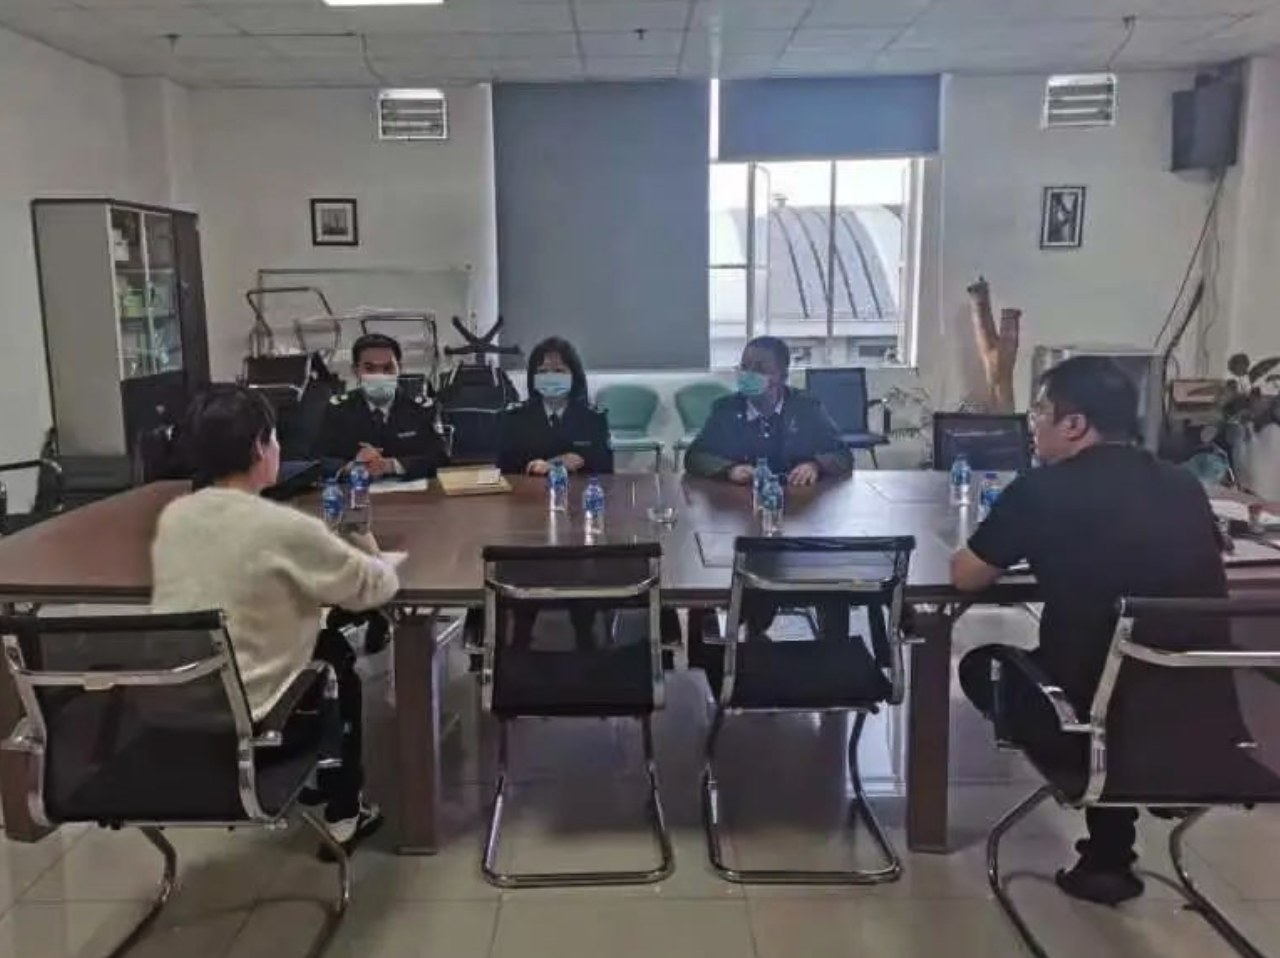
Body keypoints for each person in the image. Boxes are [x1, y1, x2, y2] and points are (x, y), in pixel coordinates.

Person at [951, 357, 1228, 906]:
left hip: (1083, 719)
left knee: (982, 666)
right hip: (1191, 721)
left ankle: (1097, 803)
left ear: (1074, 424)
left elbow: (966, 577)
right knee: (1118, 672)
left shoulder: (1041, 490)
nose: (1033, 424)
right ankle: (1112, 843)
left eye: (1040, 412)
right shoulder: (1183, 485)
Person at [152, 385, 400, 854]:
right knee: (333, 652)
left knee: (308, 630)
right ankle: (346, 809)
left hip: (186, 706)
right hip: (260, 716)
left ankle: (317, 778)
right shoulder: (283, 528)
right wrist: (363, 536)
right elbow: (377, 588)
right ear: (259, 447)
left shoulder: (175, 519)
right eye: (275, 438)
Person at [685, 336, 853, 485]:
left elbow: (842, 454)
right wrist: (729, 470)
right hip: (741, 500)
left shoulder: (806, 407)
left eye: (760, 369)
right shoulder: (725, 409)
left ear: (783, 376)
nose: (749, 374)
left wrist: (815, 465)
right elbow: (695, 457)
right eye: (744, 367)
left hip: (796, 500)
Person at [316, 332, 448, 480]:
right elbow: (316, 461)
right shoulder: (338, 409)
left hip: (412, 491)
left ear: (399, 368)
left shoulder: (422, 408)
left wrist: (391, 465)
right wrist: (349, 468)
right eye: (370, 368)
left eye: (388, 368)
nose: (380, 375)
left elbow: (441, 457)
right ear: (355, 370)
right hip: (355, 489)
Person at [497, 337, 612, 477]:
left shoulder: (594, 418)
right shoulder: (514, 418)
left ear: (574, 376)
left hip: (577, 490)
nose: (551, 378)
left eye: (559, 371)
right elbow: (505, 472)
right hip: (530, 490)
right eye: (543, 371)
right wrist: (554, 464)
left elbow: (606, 471)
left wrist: (576, 464)